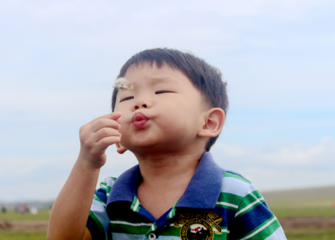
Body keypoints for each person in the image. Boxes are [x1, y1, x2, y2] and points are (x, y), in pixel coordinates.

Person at [47, 48, 287, 240]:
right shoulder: (110, 196)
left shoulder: (234, 194)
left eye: (161, 91)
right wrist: (87, 163)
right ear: (117, 135)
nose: (139, 101)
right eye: (127, 97)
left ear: (209, 122)